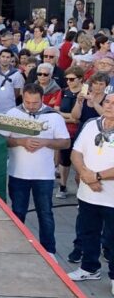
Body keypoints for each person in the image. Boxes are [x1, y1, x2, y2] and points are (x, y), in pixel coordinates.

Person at [1, 84, 70, 260]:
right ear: (22, 97)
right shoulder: (12, 114)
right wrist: (20, 141)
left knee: (45, 213)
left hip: (44, 175)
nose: (31, 106)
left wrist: (46, 142)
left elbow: (65, 143)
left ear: (42, 98)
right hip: (18, 173)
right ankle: (17, 247)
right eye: (27, 102)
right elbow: (2, 140)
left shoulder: (54, 117)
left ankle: (49, 250)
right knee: (17, 212)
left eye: (35, 102)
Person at [66, 93, 114, 287]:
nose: (110, 106)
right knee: (88, 233)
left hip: (111, 198)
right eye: (108, 102)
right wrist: (85, 174)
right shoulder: (91, 124)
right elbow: (76, 152)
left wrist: (98, 176)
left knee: (112, 240)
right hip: (88, 194)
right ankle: (89, 268)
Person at [56, 66, 84, 199]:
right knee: (64, 161)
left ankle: (82, 191)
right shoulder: (62, 92)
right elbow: (56, 111)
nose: (68, 81)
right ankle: (62, 186)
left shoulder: (84, 94)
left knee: (80, 163)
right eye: (66, 79)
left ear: (80, 79)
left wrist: (67, 117)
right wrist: (71, 118)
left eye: (72, 79)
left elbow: (80, 119)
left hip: (80, 133)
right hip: (65, 132)